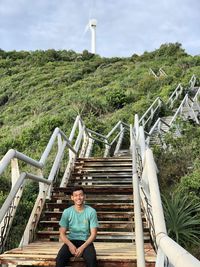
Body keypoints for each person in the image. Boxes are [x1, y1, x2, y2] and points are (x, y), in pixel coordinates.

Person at [56, 186, 99, 267]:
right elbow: (62, 233)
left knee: (92, 261)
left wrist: (82, 248)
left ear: (84, 196)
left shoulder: (91, 211)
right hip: (71, 241)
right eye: (75, 195)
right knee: (59, 259)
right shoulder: (67, 212)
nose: (78, 197)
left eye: (80, 195)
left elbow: (93, 234)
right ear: (72, 197)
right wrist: (70, 245)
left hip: (86, 242)